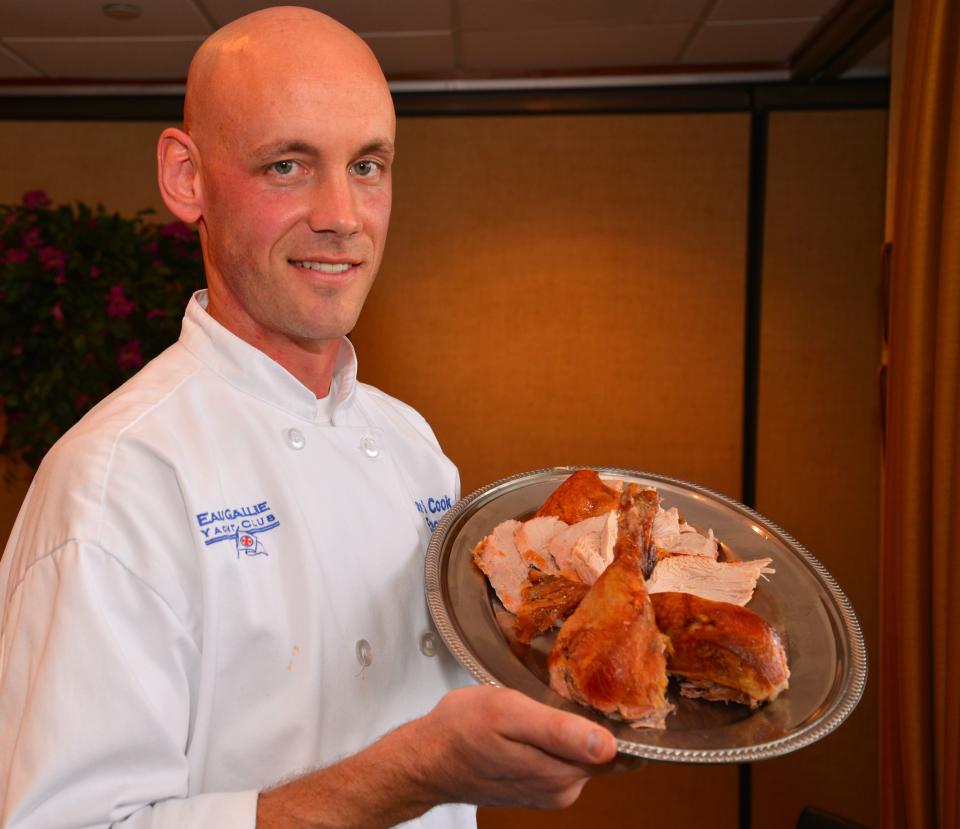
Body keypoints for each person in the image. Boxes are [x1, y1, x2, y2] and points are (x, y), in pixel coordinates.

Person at [0, 7, 620, 828]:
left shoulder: (416, 449)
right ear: (188, 177)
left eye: (368, 165)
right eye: (287, 165)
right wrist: (414, 771)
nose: (342, 214)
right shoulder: (116, 481)